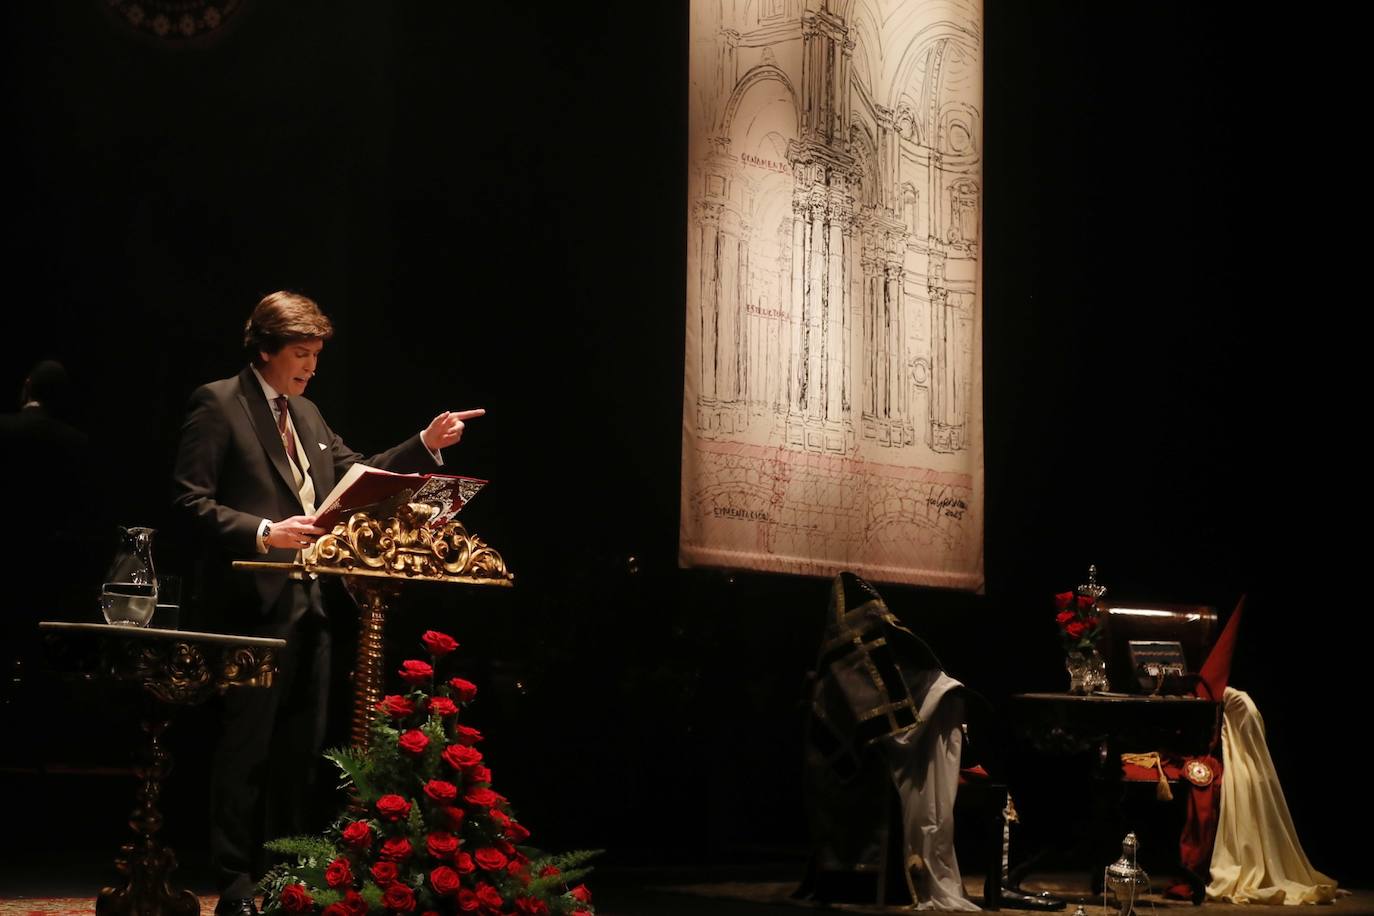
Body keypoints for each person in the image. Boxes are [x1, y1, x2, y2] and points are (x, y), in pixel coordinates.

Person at [171, 291, 482, 916]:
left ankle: (287, 877)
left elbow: (358, 476)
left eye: (315, 355)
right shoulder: (218, 403)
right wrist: (267, 531)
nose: (310, 367)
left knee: (299, 750)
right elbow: (189, 502)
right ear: (265, 349)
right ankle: (234, 882)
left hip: (311, 601)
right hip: (251, 605)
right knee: (246, 750)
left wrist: (423, 443)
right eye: (300, 354)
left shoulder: (306, 413)